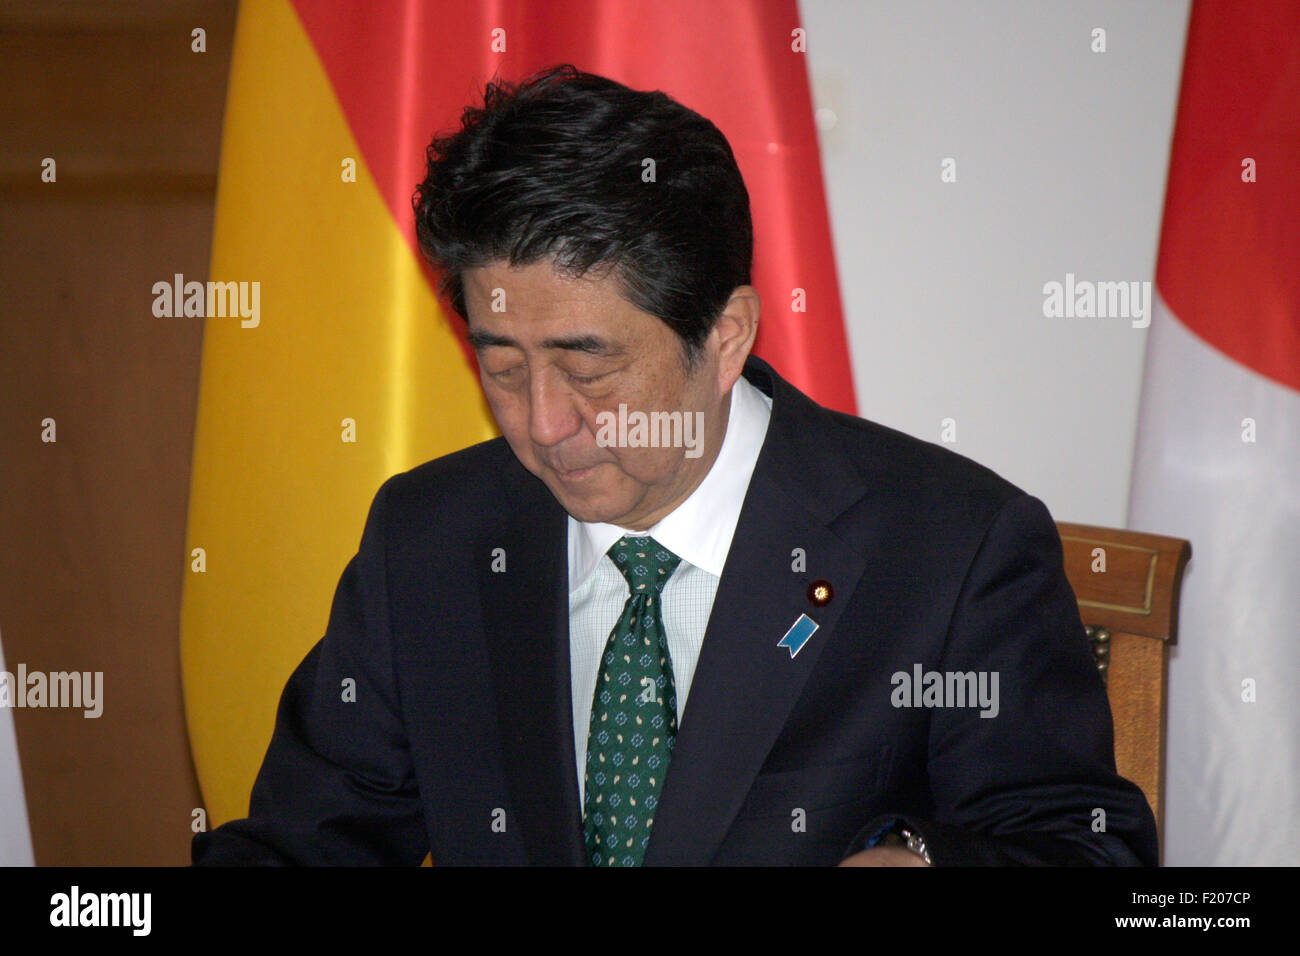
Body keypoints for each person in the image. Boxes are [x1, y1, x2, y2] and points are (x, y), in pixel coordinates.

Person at [192, 65, 1157, 866]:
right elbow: (306, 845)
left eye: (590, 365)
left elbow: (1088, 850)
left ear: (727, 335)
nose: (544, 424)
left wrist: (921, 857)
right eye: (499, 364)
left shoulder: (949, 552)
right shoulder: (433, 539)